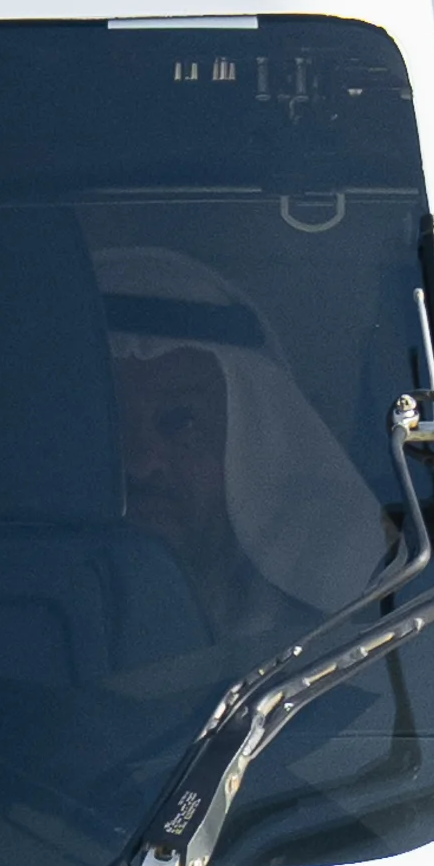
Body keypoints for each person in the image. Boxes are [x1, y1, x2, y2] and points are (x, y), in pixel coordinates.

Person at [96, 246, 396, 649]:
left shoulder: (344, 647)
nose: (141, 463)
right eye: (108, 426)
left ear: (248, 438)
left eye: (180, 420)